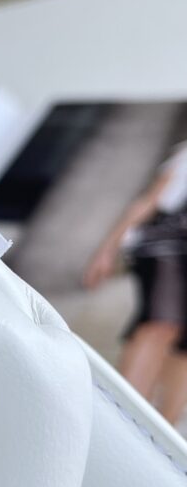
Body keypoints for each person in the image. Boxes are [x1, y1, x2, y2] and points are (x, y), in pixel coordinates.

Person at [84, 142, 187, 425]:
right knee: (161, 324)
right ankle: (119, 417)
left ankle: (160, 433)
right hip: (166, 246)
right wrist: (107, 250)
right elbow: (149, 200)